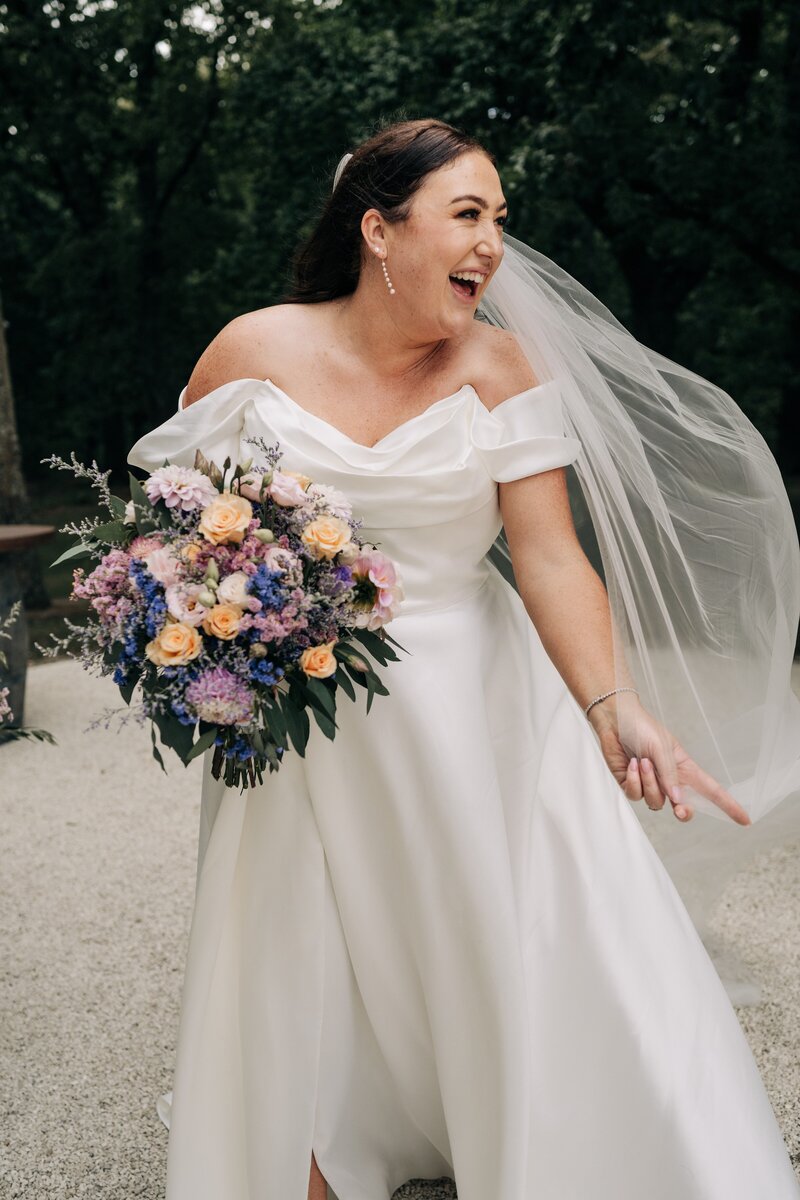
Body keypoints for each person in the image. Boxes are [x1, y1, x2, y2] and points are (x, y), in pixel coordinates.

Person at [127, 118, 800, 1199]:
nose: (491, 246)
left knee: (508, 928)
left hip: (474, 703)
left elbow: (548, 558)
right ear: (378, 233)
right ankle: (310, 1143)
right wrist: (204, 628)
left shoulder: (495, 364)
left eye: (499, 220)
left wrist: (608, 703)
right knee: (307, 935)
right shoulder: (249, 353)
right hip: (303, 710)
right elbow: (176, 530)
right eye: (467, 215)